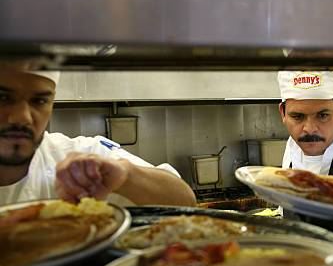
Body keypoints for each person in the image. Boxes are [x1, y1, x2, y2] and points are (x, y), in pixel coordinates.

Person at [0, 69, 196, 206]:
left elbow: (185, 201)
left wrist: (126, 175)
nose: (22, 117)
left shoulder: (77, 158)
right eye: (3, 98)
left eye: (39, 100)